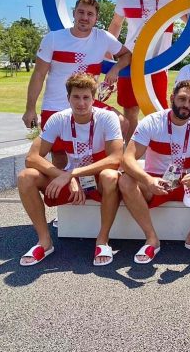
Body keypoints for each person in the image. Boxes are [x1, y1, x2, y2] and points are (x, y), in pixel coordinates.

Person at [17, 73, 123, 267]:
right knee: (26, 177)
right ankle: (44, 242)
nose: (81, 103)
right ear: (68, 98)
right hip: (69, 179)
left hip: (96, 178)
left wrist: (72, 174)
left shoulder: (107, 118)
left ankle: (103, 240)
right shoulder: (59, 119)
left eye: (86, 97)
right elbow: (31, 157)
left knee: (110, 176)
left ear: (94, 98)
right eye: (76, 97)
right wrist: (65, 176)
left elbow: (116, 159)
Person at [119, 80, 190, 264]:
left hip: (189, 184)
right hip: (157, 184)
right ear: (172, 98)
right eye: (182, 99)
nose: (186, 105)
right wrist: (148, 180)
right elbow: (127, 158)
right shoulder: (153, 121)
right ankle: (151, 239)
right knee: (125, 181)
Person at [23, 0, 131, 168]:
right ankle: (63, 190)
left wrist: (115, 69)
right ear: (74, 13)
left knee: (122, 122)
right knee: (59, 158)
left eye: (90, 14)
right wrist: (30, 109)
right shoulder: (53, 38)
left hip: (87, 104)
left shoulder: (102, 37)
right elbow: (38, 75)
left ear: (96, 18)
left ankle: (106, 175)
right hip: (56, 106)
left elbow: (127, 55)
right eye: (81, 12)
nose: (84, 17)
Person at [109, 0, 184, 141]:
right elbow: (116, 24)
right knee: (131, 110)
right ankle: (129, 155)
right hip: (131, 61)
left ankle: (159, 156)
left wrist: (185, 4)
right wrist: (108, 54)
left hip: (157, 63)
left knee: (158, 112)